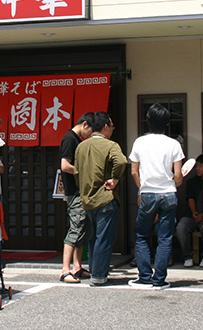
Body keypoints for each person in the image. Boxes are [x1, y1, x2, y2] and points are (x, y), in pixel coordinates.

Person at [128, 103, 184, 289]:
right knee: (165, 238)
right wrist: (174, 182)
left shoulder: (139, 142)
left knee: (142, 236)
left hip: (148, 193)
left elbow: (134, 172)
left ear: (148, 121)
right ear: (167, 123)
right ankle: (159, 279)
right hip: (168, 194)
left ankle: (144, 276)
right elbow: (177, 176)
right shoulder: (174, 144)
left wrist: (141, 188)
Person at [73, 111, 127, 287]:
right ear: (105, 127)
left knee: (93, 238)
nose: (113, 129)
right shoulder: (111, 146)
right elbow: (121, 162)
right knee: (104, 238)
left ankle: (95, 272)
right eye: (111, 126)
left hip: (87, 200)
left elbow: (77, 172)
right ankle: (99, 275)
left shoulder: (81, 147)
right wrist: (115, 178)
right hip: (105, 198)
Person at [59, 112, 94, 284]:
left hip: (80, 191)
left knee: (83, 229)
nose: (89, 136)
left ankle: (77, 267)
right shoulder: (69, 139)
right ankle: (65, 270)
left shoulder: (76, 140)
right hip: (74, 192)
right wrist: (84, 172)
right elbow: (65, 166)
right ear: (85, 124)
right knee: (76, 227)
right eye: (90, 132)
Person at [176, 153, 203, 268]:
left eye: (200, 166)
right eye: (196, 166)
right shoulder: (191, 181)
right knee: (181, 226)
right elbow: (190, 198)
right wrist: (194, 212)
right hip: (192, 214)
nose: (197, 169)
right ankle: (187, 257)